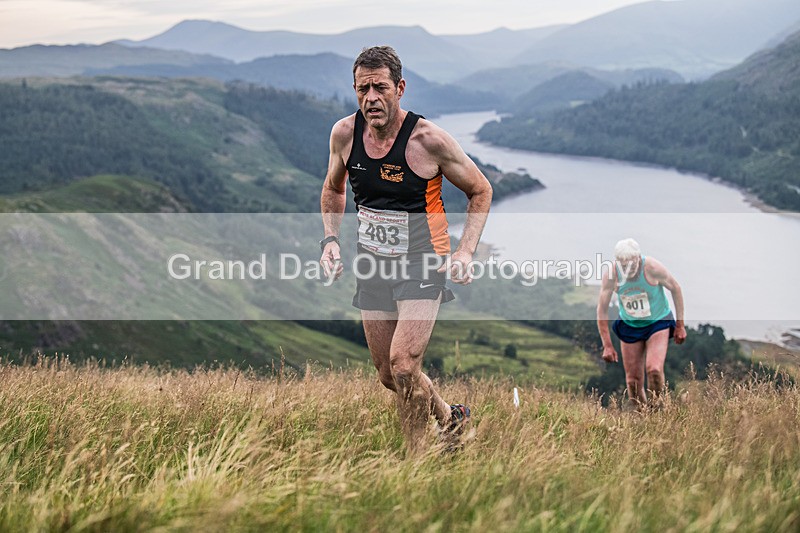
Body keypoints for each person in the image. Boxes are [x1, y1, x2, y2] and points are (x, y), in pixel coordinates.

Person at [319, 46, 492, 453]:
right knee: (387, 374)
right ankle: (452, 419)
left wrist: (465, 252)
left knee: (404, 364)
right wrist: (329, 240)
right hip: (373, 264)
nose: (371, 98)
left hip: (423, 261)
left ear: (400, 88)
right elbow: (332, 188)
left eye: (380, 87)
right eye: (363, 89)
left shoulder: (428, 140)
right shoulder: (345, 134)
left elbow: (480, 189)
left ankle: (416, 462)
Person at [597, 238, 687, 408]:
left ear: (639, 258)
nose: (628, 269)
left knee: (653, 369)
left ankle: (657, 411)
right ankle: (643, 418)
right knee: (633, 380)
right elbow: (601, 310)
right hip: (630, 325)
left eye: (631, 264)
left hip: (657, 322)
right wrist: (607, 345)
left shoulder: (652, 268)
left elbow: (676, 288)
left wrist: (680, 325)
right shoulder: (612, 275)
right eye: (623, 265)